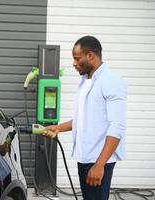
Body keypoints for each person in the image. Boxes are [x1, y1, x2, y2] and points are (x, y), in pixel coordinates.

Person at [45, 36, 127, 200]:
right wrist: (59, 128)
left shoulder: (111, 80)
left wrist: (99, 165)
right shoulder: (85, 81)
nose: (74, 63)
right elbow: (85, 119)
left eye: (77, 58)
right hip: (85, 157)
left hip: (98, 159)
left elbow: (117, 126)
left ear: (90, 55)